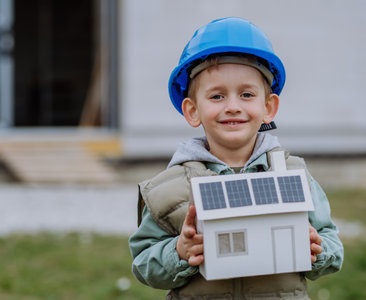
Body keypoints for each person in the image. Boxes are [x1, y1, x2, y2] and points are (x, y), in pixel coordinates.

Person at [129, 17, 343, 299]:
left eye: (246, 94)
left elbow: (332, 246)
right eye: (217, 96)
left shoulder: (294, 175)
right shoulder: (166, 189)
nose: (232, 107)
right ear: (192, 110)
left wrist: (318, 249)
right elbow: (143, 263)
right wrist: (178, 252)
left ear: (268, 107)